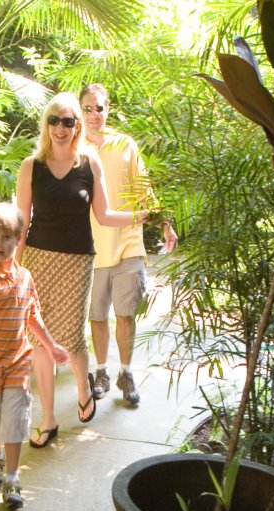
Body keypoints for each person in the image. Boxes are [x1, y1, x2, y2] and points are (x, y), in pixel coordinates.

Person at [15, 92, 153, 448]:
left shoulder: (89, 164)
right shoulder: (31, 166)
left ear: (77, 126)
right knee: (40, 342)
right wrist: (13, 268)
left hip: (77, 260)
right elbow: (21, 221)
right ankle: (47, 419)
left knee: (73, 336)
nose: (61, 128)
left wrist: (140, 216)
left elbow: (104, 214)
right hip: (39, 260)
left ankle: (83, 388)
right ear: (46, 124)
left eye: (68, 121)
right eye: (54, 121)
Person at [0, 202, 69, 509]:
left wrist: (50, 346)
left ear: (18, 239)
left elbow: (32, 316)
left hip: (18, 364)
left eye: (7, 237)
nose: (0, 243)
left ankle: (11, 477)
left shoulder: (25, 278)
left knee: (16, 420)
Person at [80, 83, 178, 405]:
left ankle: (126, 372)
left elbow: (143, 190)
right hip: (91, 247)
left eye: (100, 108)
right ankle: (102, 371)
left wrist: (165, 223)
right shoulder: (75, 148)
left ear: (108, 109)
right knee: (97, 316)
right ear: (81, 112)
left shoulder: (126, 145)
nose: (95, 115)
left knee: (125, 313)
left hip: (128, 243)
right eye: (88, 109)